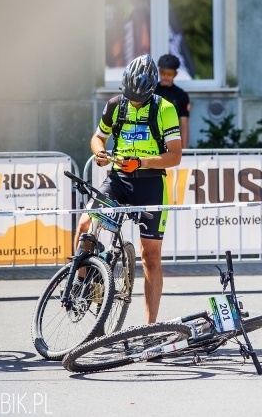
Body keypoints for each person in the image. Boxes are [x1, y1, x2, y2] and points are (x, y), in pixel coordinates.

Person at [77, 54, 182, 323]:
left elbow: (175, 156)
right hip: (118, 180)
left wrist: (141, 162)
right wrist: (99, 152)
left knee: (150, 257)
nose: (133, 101)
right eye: (130, 96)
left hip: (151, 183)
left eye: (139, 98)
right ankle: (82, 285)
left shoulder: (165, 109)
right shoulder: (115, 105)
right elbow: (97, 137)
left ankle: (150, 326)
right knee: (85, 224)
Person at [155, 54, 191, 148]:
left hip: (171, 140)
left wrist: (185, 150)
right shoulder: (150, 92)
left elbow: (184, 124)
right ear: (159, 71)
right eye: (163, 72)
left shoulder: (181, 95)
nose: (165, 76)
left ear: (175, 74)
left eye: (170, 74)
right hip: (151, 140)